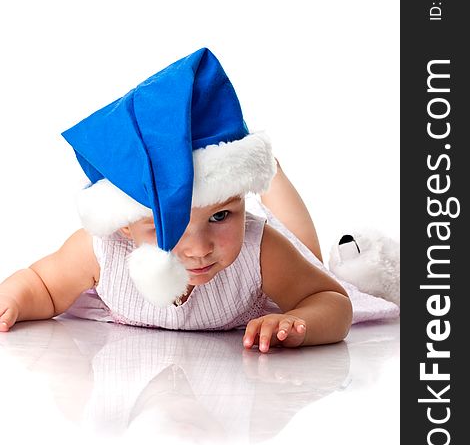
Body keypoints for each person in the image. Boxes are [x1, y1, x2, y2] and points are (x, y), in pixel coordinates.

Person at [0, 48, 354, 351]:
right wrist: (12, 299)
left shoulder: (259, 250)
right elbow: (42, 285)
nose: (199, 248)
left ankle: (271, 175)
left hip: (280, 250)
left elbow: (332, 301)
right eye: (170, 224)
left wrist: (297, 323)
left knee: (306, 249)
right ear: (124, 226)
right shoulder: (100, 251)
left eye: (221, 216)